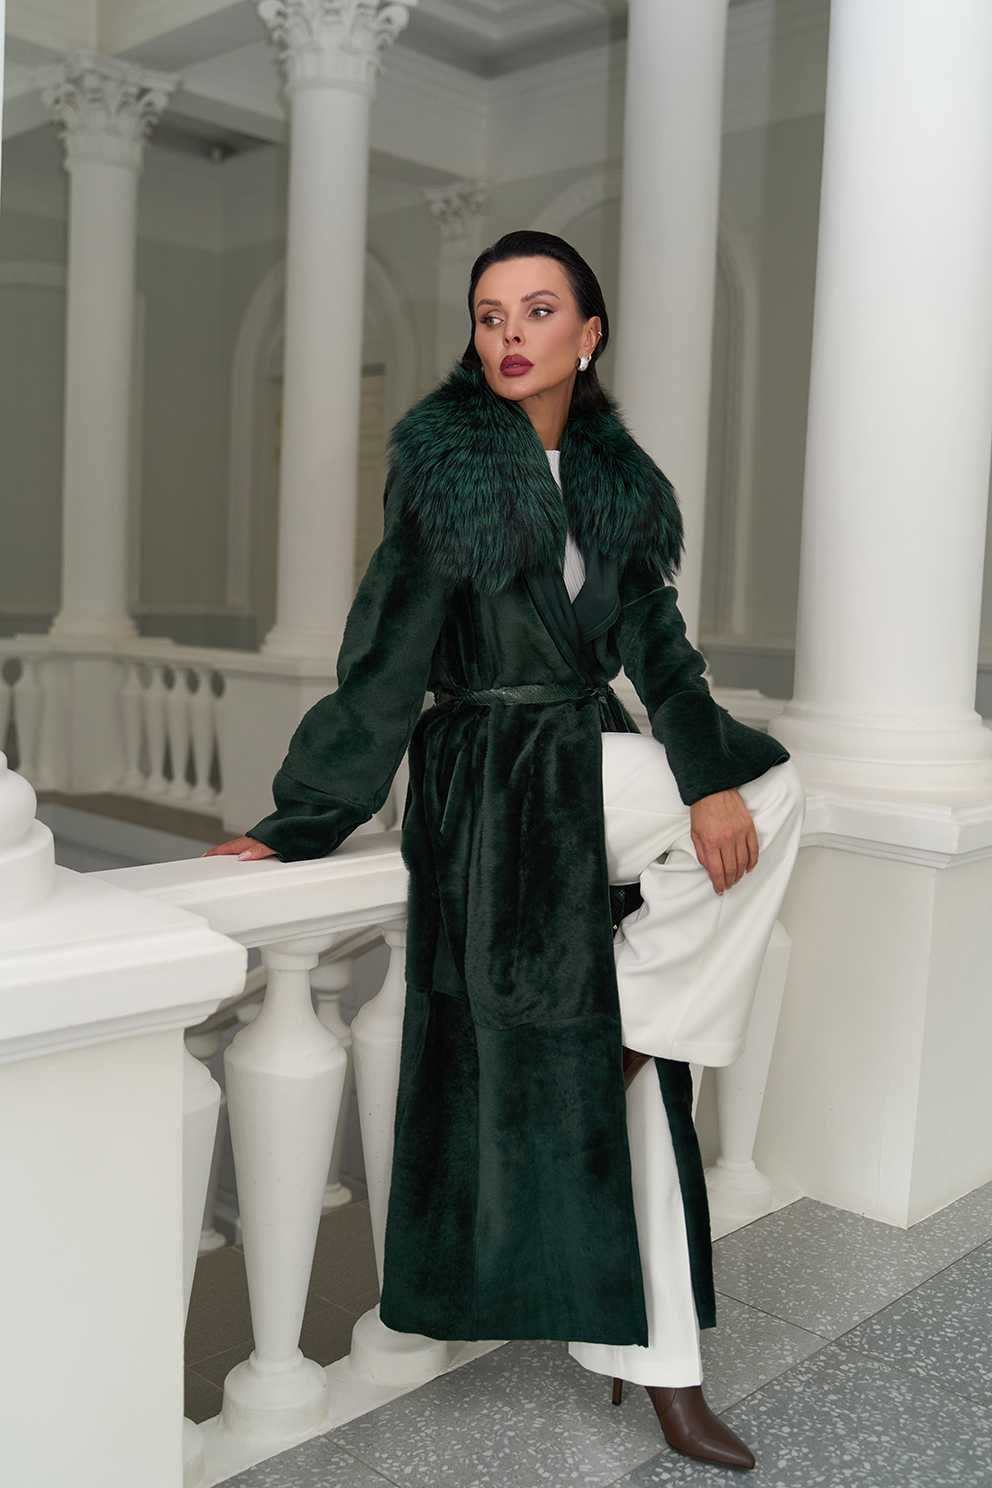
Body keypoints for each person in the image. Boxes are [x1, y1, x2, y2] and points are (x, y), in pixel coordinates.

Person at [208, 230, 804, 1471]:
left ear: (587, 335)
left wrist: (705, 776)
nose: (509, 334)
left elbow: (663, 657)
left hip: (578, 763)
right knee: (741, 826)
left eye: (537, 311)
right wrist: (303, 815)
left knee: (770, 791)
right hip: (488, 777)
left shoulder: (614, 482)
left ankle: (668, 1370)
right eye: (489, 314)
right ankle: (640, 1021)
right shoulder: (447, 470)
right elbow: (383, 657)